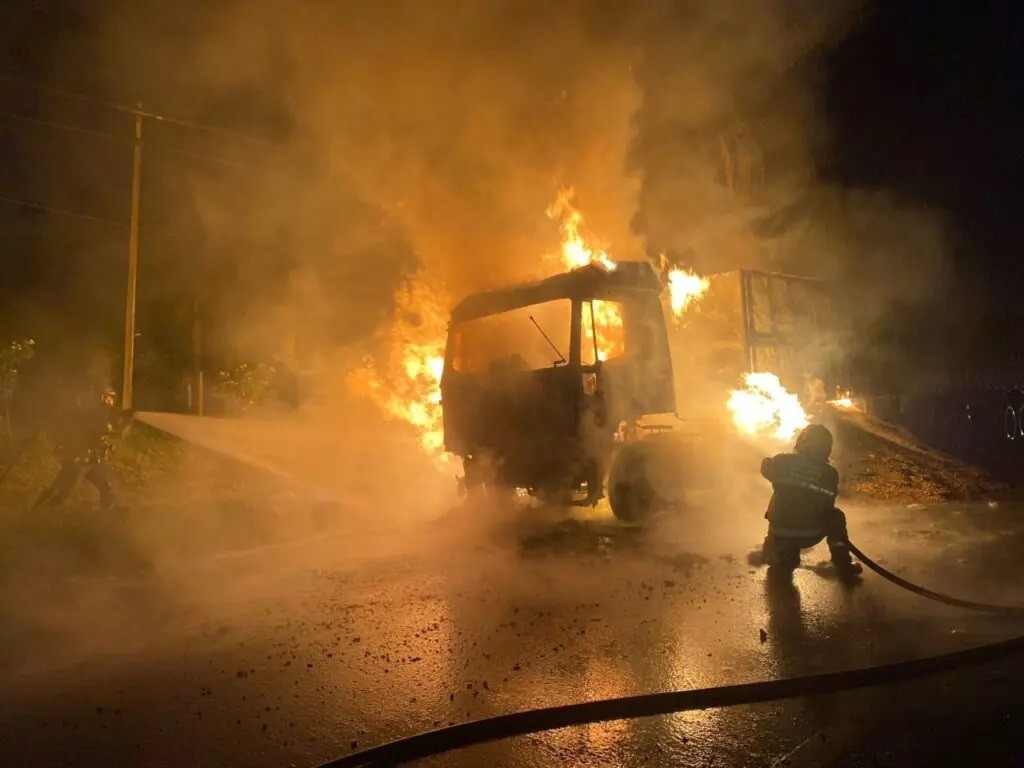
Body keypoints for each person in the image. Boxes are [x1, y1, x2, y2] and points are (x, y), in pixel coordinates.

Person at [759, 423, 862, 581]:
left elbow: (765, 468)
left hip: (780, 531)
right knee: (836, 516)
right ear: (827, 448)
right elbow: (828, 505)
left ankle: (775, 550)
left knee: (778, 505)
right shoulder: (830, 474)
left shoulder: (782, 461)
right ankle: (843, 564)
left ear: (801, 442)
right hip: (809, 533)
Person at [33, 386, 131, 512]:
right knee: (63, 489)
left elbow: (104, 435)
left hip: (87, 461)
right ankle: (41, 510)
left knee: (103, 485)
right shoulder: (92, 416)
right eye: (109, 400)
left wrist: (122, 424)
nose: (110, 404)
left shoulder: (96, 416)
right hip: (78, 459)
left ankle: (107, 510)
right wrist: (122, 424)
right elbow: (96, 435)